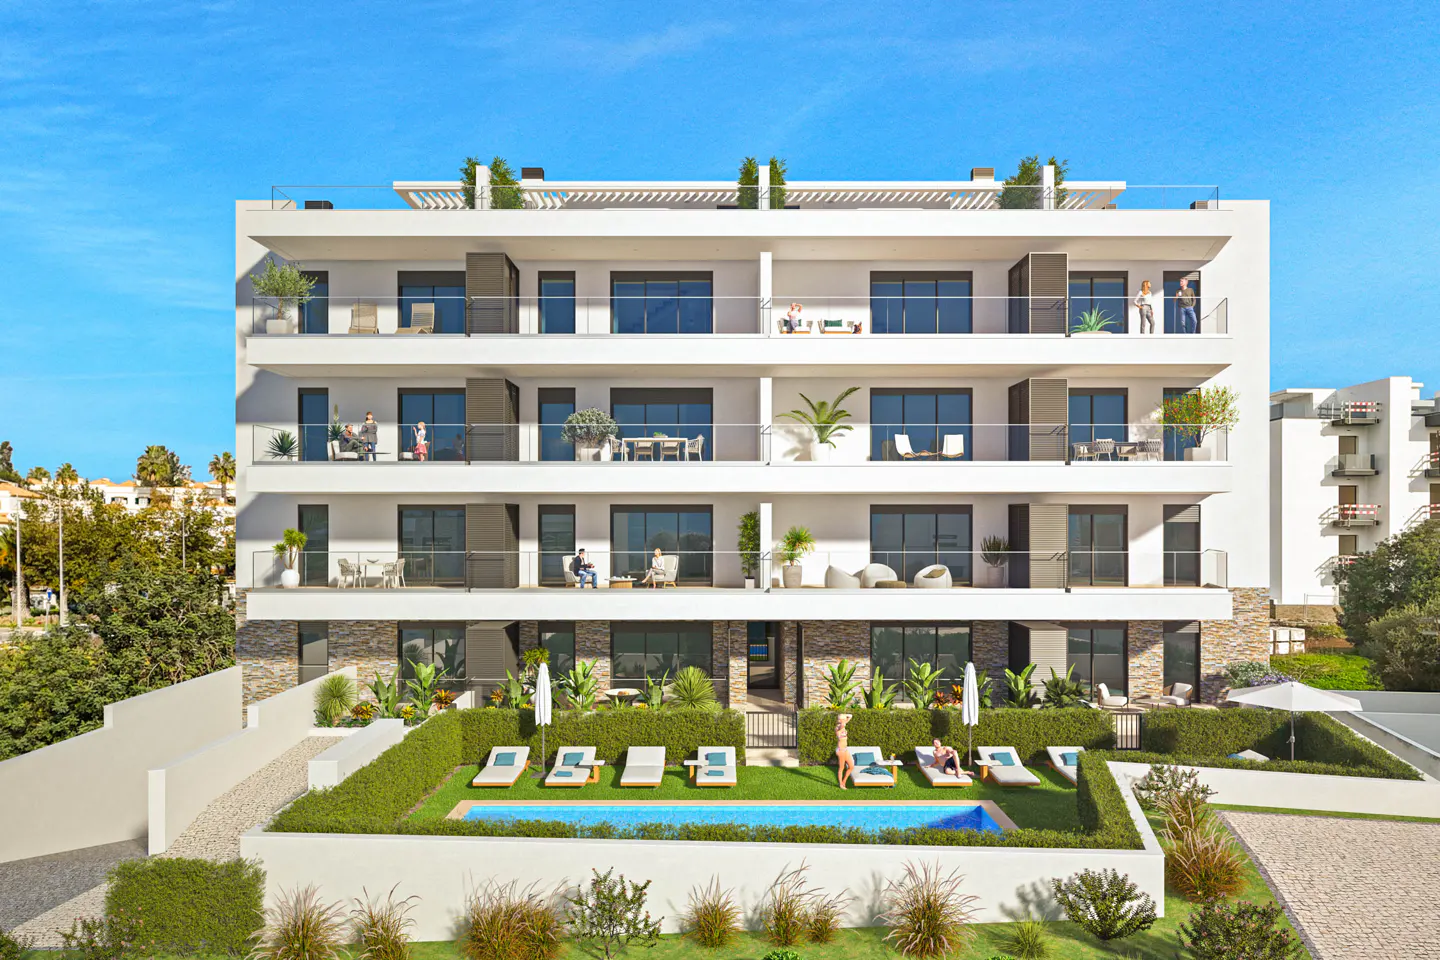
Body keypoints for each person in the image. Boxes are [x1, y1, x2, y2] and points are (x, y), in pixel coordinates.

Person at [835, 712, 855, 789]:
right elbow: (839, 731)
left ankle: (844, 781)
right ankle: (841, 784)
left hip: (845, 750)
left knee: (851, 766)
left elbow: (851, 716)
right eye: (840, 719)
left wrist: (845, 717)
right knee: (841, 768)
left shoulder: (843, 724)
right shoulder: (838, 727)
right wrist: (842, 723)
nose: (843, 720)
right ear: (839, 720)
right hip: (841, 751)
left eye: (843, 719)